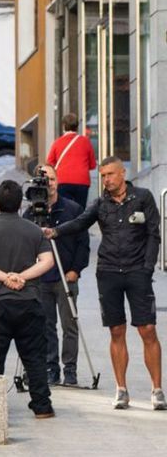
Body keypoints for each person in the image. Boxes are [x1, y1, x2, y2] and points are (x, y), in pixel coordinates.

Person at [46, 157, 163, 410]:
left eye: (110, 174)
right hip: (108, 272)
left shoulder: (143, 197)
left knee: (148, 330)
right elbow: (79, 223)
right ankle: (121, 390)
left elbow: (154, 234)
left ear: (122, 173)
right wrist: (54, 231)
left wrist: (147, 267)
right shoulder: (100, 204)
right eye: (103, 176)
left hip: (137, 273)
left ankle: (157, 389)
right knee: (116, 331)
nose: (106, 180)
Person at [0, 180, 57, 419]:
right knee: (35, 357)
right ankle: (42, 406)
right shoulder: (33, 230)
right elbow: (48, 261)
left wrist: (6, 278)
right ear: (21, 203)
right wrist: (22, 277)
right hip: (29, 301)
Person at [24, 164, 89, 387]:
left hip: (66, 276)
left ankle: (70, 369)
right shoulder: (30, 213)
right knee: (45, 326)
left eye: (51, 179)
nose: (48, 184)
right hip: (41, 278)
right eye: (43, 180)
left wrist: (76, 271)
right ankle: (51, 369)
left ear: (57, 181)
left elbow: (84, 243)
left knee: (69, 325)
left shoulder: (72, 209)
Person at [46, 113, 97, 207]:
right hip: (82, 181)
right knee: (80, 211)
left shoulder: (57, 142)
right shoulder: (85, 141)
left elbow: (49, 163)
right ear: (77, 126)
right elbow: (93, 165)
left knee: (64, 210)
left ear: (63, 126)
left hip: (63, 181)